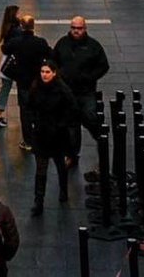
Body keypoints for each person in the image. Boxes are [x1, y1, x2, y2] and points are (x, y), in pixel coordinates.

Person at [52, 17, 109, 161]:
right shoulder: (62, 44)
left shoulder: (93, 46)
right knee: (71, 125)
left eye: (79, 28)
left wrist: (89, 77)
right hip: (67, 92)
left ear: (85, 28)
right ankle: (72, 154)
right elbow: (54, 62)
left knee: (90, 117)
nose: (76, 31)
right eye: (73, 28)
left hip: (86, 91)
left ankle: (101, 140)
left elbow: (103, 65)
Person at [28, 61, 80, 215]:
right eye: (42, 71)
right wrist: (33, 122)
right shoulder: (36, 88)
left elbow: (73, 109)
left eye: (47, 72)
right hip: (41, 134)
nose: (44, 74)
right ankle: (39, 200)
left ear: (54, 73)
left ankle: (63, 191)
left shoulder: (62, 90)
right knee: (41, 169)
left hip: (57, 135)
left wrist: (61, 124)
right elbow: (29, 107)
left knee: (60, 165)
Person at [2, 13, 52, 152]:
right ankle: (39, 137)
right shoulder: (40, 42)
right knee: (38, 110)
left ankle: (28, 141)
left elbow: (4, 49)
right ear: (33, 27)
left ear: (22, 27)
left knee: (25, 111)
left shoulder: (16, 42)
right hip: (37, 82)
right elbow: (50, 54)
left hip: (22, 82)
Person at [0, 5, 22, 130]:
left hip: (6, 62)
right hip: (17, 62)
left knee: (5, 88)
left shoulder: (6, 27)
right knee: (23, 88)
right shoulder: (17, 29)